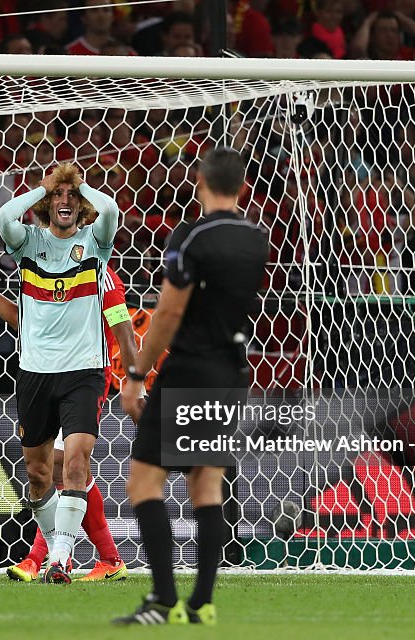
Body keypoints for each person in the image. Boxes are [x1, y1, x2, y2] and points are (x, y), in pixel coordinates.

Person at [116, 148, 268, 625]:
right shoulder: (255, 238)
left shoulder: (192, 237)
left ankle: (162, 599)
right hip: (232, 372)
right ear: (242, 186)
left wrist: (137, 374)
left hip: (189, 369)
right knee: (206, 485)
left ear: (199, 180)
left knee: (143, 481)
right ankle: (201, 603)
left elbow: (168, 312)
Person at [0, 252, 135, 582]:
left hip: (84, 376)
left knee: (65, 462)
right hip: (44, 376)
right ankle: (107, 558)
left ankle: (44, 557)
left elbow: (121, 320)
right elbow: (19, 318)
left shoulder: (100, 273)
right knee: (49, 468)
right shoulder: (45, 275)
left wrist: (135, 378)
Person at [0, 161, 120, 584]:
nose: (65, 201)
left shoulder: (94, 243)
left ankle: (59, 559)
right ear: (47, 204)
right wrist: (43, 187)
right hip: (35, 372)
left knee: (77, 461)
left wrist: (79, 185)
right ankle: (54, 552)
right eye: (58, 196)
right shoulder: (27, 243)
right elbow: (2, 217)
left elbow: (111, 212)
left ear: (81, 204)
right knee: (38, 474)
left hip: (83, 369)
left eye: (73, 197)